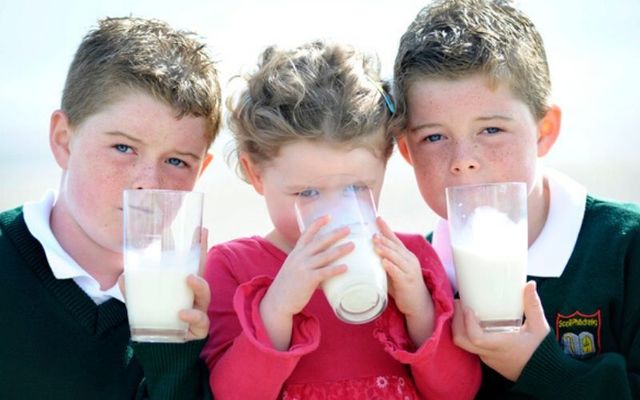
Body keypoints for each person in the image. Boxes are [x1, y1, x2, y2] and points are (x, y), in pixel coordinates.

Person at [201, 40, 481, 399]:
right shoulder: (233, 268)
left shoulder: (410, 261)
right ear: (255, 173)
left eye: (354, 189)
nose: (333, 214)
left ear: (385, 160)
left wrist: (421, 311)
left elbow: (459, 392)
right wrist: (276, 309)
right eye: (307, 193)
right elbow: (230, 395)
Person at [392, 0, 640, 398]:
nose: (464, 162)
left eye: (491, 129)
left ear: (544, 131)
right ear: (406, 151)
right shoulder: (409, 281)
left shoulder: (626, 247)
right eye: (434, 137)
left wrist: (539, 368)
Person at [0, 17, 221, 399]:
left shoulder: (205, 307)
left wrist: (174, 357)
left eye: (177, 162)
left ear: (201, 171)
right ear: (63, 140)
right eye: (123, 148)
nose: (148, 183)